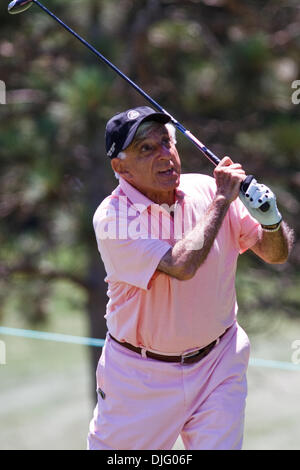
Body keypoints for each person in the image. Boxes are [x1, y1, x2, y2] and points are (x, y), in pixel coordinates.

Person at [87, 106, 293, 450]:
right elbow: (181, 265)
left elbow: (276, 254)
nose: (164, 156)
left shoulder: (206, 190)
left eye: (167, 143)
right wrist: (222, 201)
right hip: (142, 376)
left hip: (219, 362)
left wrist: (270, 219)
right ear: (120, 168)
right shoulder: (112, 217)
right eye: (146, 149)